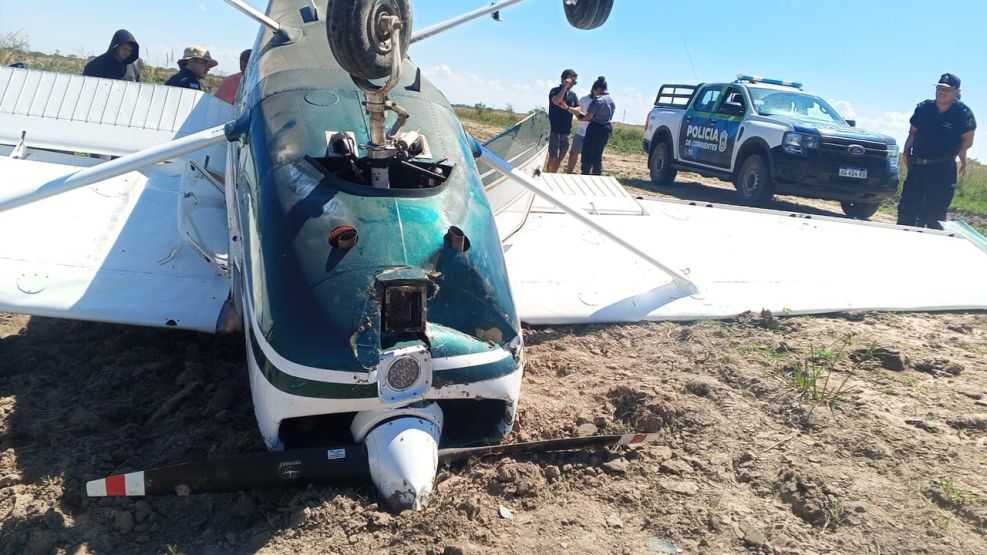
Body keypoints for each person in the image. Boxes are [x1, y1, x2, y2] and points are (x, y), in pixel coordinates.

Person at [897, 73, 977, 229]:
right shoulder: (924, 108)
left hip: (943, 169)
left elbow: (967, 141)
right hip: (918, 166)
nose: (941, 91)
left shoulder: (963, 114)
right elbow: (912, 133)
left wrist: (959, 157)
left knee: (936, 214)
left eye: (947, 89)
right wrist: (907, 153)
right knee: (908, 210)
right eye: (939, 88)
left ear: (956, 91)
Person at [577, 76, 616, 176]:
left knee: (587, 153)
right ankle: (597, 174)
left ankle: (585, 173)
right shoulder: (612, 101)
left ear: (598, 89)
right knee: (598, 154)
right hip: (605, 129)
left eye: (594, 91)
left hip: (594, 128)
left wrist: (580, 117)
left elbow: (589, 116)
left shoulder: (598, 100)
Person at [546, 69, 580, 173]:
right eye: (570, 81)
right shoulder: (555, 91)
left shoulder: (573, 96)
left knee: (560, 157)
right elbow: (557, 101)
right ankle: (548, 174)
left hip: (566, 132)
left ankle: (553, 175)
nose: (572, 84)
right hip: (554, 130)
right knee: (553, 156)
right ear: (562, 79)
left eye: (574, 82)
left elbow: (578, 111)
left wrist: (567, 108)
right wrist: (565, 87)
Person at [565, 92, 594, 174]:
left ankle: (586, 173)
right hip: (581, 131)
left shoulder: (601, 101)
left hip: (593, 133)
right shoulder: (584, 99)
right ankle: (569, 172)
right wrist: (582, 118)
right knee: (573, 152)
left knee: (589, 156)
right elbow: (578, 112)